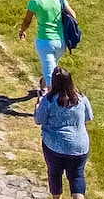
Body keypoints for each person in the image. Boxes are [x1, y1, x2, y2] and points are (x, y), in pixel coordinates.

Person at [34, 67, 93, 197]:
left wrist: (37, 105)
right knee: (77, 176)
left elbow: (39, 120)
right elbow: (89, 117)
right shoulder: (81, 98)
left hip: (54, 145)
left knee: (55, 173)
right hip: (79, 146)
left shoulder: (48, 100)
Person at [15, 0, 71, 92]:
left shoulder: (35, 1)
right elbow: (73, 15)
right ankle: (44, 84)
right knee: (51, 66)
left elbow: (27, 20)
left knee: (50, 72)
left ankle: (51, 97)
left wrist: (22, 31)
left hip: (45, 41)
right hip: (61, 42)